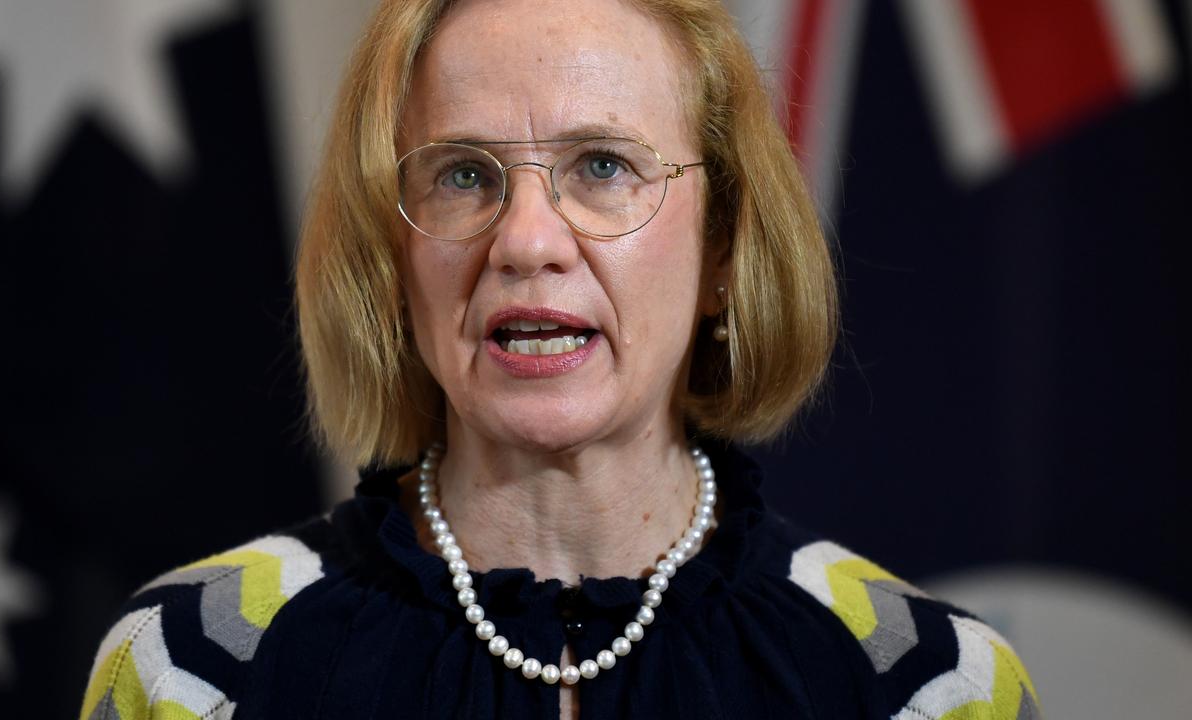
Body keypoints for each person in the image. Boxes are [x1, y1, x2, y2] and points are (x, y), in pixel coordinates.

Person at [79, 0, 1039, 718]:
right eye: (463, 175)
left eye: (604, 167)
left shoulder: (926, 683)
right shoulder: (195, 668)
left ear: (722, 250)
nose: (526, 241)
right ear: (392, 256)